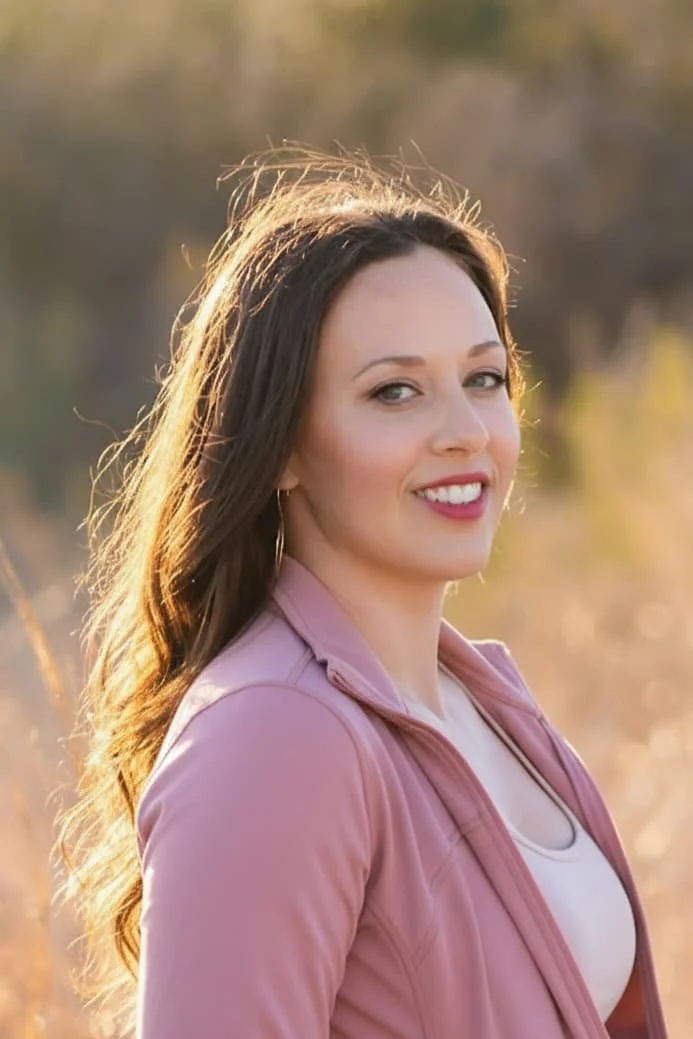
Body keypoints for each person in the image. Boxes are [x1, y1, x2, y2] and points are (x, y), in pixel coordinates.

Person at [58, 147, 668, 1038]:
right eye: (394, 392)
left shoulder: (486, 704)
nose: (463, 431)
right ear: (284, 447)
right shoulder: (275, 731)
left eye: (483, 378)